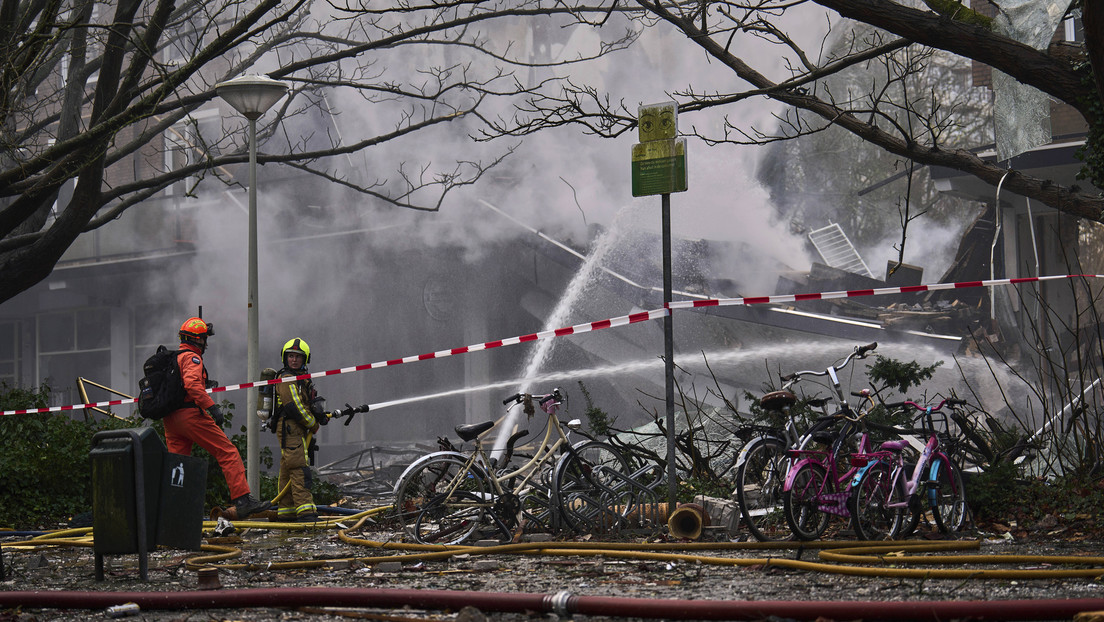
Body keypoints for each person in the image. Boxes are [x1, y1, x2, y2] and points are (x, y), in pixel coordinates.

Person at [162, 317, 271, 519]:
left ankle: (174, 513)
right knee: (227, 452)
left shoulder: (174, 358)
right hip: (190, 416)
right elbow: (192, 386)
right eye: (204, 339)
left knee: (178, 465)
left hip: (171, 420)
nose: (206, 343)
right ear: (198, 339)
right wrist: (212, 407)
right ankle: (243, 500)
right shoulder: (192, 358)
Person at [272, 337, 329, 522]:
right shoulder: (287, 379)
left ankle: (286, 511)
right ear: (285, 358)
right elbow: (294, 406)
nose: (294, 360)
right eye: (290, 356)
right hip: (291, 427)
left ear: (305, 359)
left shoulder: (300, 379)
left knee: (288, 467)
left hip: (294, 428)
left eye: (298, 356)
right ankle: (306, 512)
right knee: (298, 468)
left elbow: (305, 403)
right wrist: (312, 423)